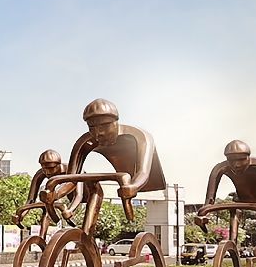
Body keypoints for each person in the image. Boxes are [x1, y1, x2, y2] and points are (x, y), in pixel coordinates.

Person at [40, 98, 166, 236]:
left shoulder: (140, 136)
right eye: (92, 128)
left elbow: (143, 172)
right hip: (123, 178)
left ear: (115, 122)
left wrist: (134, 186)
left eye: (104, 126)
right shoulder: (84, 142)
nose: (98, 133)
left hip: (146, 178)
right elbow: (71, 180)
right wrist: (56, 194)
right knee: (86, 230)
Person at [194, 140, 256, 241]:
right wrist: (203, 213)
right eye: (231, 160)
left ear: (248, 157)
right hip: (241, 200)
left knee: (253, 217)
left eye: (241, 159)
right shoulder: (219, 168)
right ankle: (232, 245)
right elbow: (210, 198)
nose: (236, 165)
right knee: (234, 214)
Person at [13, 149, 82, 237]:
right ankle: (42, 238)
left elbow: (79, 194)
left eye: (51, 168)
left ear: (59, 165)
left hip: (89, 193)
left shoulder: (72, 170)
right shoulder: (40, 174)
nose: (48, 172)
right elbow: (31, 199)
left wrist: (70, 210)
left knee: (87, 222)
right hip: (66, 193)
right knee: (47, 204)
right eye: (44, 168)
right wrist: (21, 214)